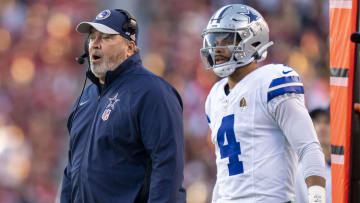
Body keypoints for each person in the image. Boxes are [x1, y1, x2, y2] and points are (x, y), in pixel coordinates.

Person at [200, 4, 326, 203]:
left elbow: (309, 147)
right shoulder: (215, 97)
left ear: (252, 40)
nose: (217, 48)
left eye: (226, 39)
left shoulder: (271, 82)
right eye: (214, 41)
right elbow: (224, 172)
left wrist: (317, 199)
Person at [60, 9, 186, 203]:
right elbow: (71, 171)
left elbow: (168, 167)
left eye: (106, 37)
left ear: (130, 47)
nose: (95, 43)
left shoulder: (152, 92)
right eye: (92, 37)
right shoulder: (85, 98)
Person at [295, 108, 331, 203]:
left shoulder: (344, 167)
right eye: (317, 122)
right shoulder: (301, 171)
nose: (322, 127)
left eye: (327, 122)